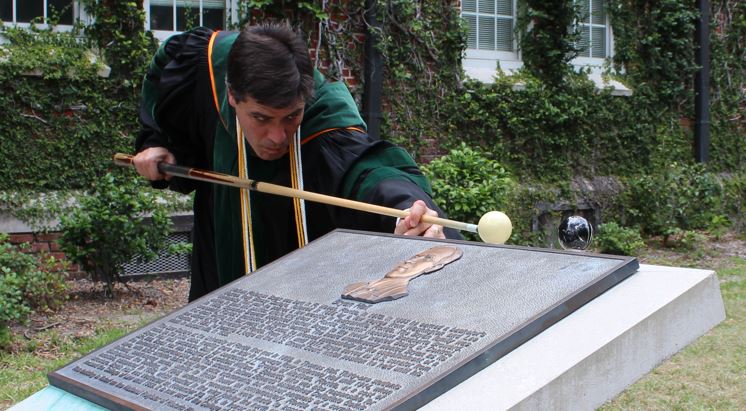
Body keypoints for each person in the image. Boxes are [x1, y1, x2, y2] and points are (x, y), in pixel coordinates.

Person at [133, 23, 460, 301]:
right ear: (232, 95)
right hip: (220, 237)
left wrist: (408, 206)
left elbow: (368, 171)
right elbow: (166, 63)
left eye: (291, 116)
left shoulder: (325, 119)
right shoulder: (207, 61)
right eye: (261, 118)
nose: (277, 136)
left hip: (295, 266)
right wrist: (155, 139)